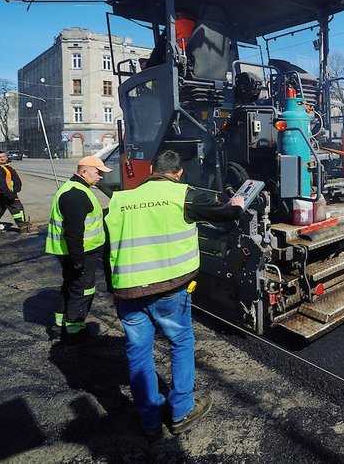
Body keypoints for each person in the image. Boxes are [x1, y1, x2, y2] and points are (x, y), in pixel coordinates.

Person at [104, 149, 244, 440]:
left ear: (151, 169)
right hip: (169, 290)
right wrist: (238, 205)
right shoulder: (182, 195)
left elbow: (109, 250)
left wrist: (113, 290)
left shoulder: (119, 201)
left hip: (128, 291)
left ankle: (150, 421)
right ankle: (181, 411)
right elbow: (224, 215)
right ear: (179, 173)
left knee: (138, 353)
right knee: (180, 342)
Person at [46, 155, 112, 345]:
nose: (100, 177)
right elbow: (74, 231)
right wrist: (77, 260)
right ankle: (74, 329)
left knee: (70, 284)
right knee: (82, 288)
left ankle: (60, 325)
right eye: (98, 172)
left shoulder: (75, 189)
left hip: (72, 251)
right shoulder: (76, 194)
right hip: (80, 252)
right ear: (84, 171)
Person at [0, 151, 31, 234]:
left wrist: (17, 188)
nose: (2, 158)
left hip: (6, 193)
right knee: (17, 209)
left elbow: (15, 179)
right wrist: (10, 194)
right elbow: (1, 183)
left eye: (3, 156)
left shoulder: (7, 167)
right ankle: (22, 225)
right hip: (6, 193)